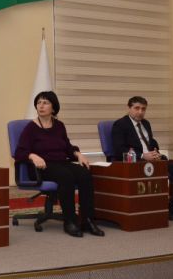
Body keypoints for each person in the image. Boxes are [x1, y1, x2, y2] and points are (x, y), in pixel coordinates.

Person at [15, 91, 105, 237]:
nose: (41, 106)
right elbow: (19, 152)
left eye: (45, 103)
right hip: (41, 167)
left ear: (53, 107)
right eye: (38, 103)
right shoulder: (30, 128)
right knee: (66, 176)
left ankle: (87, 220)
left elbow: (67, 148)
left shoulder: (59, 126)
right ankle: (70, 221)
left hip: (61, 163)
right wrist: (32, 155)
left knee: (85, 174)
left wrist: (78, 154)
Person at [111, 96, 173, 219]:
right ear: (129, 108)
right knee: (163, 173)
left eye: (143, 109)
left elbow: (151, 142)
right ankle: (161, 207)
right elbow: (119, 149)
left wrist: (156, 152)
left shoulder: (146, 123)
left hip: (153, 160)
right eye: (137, 108)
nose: (140, 112)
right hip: (135, 162)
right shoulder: (120, 124)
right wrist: (143, 155)